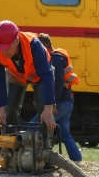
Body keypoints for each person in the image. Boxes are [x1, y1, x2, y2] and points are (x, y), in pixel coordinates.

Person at [0, 20, 56, 132]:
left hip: (38, 74)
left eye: (7, 47)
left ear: (17, 40)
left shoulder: (34, 45)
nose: (4, 51)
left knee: (42, 106)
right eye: (1, 47)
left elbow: (47, 76)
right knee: (8, 112)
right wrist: (0, 113)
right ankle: (9, 144)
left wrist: (48, 109)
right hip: (15, 75)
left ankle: (45, 143)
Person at [31, 33, 82, 161]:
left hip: (60, 103)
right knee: (65, 134)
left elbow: (58, 83)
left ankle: (34, 158)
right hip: (67, 101)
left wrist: (53, 104)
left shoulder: (55, 59)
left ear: (44, 47)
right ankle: (77, 161)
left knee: (34, 125)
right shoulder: (56, 58)